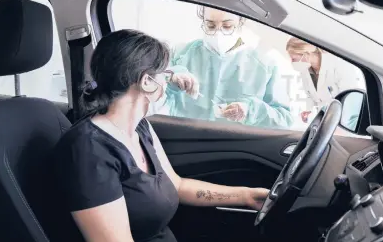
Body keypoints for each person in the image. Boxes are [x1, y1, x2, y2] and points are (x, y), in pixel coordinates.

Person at [53, 30, 269, 242]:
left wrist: (246, 196)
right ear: (147, 81)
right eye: (165, 74)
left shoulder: (140, 127)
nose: (168, 81)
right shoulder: (89, 150)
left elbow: (177, 185)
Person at [163, 6, 293, 129]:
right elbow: (151, 96)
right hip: (185, 141)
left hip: (236, 147)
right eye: (210, 26)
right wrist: (170, 78)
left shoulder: (264, 65)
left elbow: (284, 119)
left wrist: (250, 111)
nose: (218, 33)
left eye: (227, 26)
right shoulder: (181, 54)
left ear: (240, 22)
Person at [285, 37, 365, 124]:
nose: (292, 62)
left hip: (344, 122)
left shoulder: (338, 63)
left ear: (306, 53)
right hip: (325, 121)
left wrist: (340, 124)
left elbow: (349, 98)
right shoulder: (305, 70)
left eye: (293, 59)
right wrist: (309, 110)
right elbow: (310, 96)